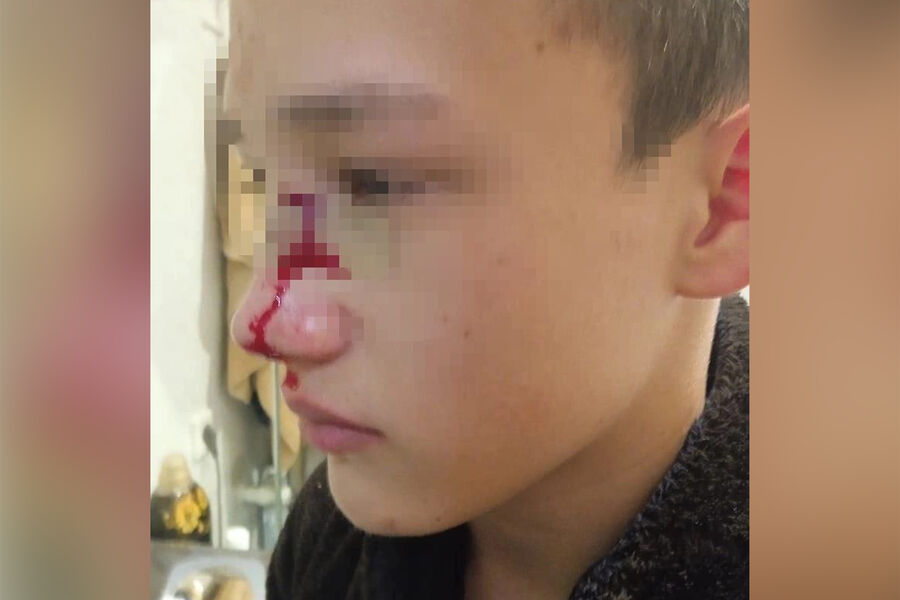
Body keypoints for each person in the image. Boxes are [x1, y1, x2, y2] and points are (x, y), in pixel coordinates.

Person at [226, 1, 749, 598]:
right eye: (262, 180)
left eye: (377, 182)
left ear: (721, 212)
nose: (259, 322)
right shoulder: (329, 542)